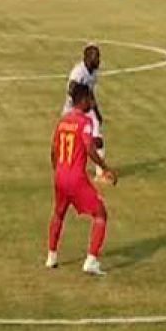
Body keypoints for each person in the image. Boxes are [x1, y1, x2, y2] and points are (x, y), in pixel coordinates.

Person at [47, 83, 117, 276]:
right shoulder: (85, 122)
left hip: (60, 176)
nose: (92, 102)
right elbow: (88, 147)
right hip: (76, 178)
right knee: (101, 213)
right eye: (90, 99)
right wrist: (105, 168)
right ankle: (91, 260)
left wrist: (58, 170)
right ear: (83, 100)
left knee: (58, 213)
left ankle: (51, 256)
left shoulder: (63, 121)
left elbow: (53, 150)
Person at [62, 44, 107, 180]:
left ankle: (101, 173)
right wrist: (79, 108)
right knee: (72, 140)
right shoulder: (78, 72)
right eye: (96, 57)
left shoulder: (93, 73)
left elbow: (91, 93)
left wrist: (97, 112)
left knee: (98, 139)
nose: (99, 60)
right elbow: (71, 89)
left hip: (86, 109)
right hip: (73, 110)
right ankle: (68, 168)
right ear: (87, 58)